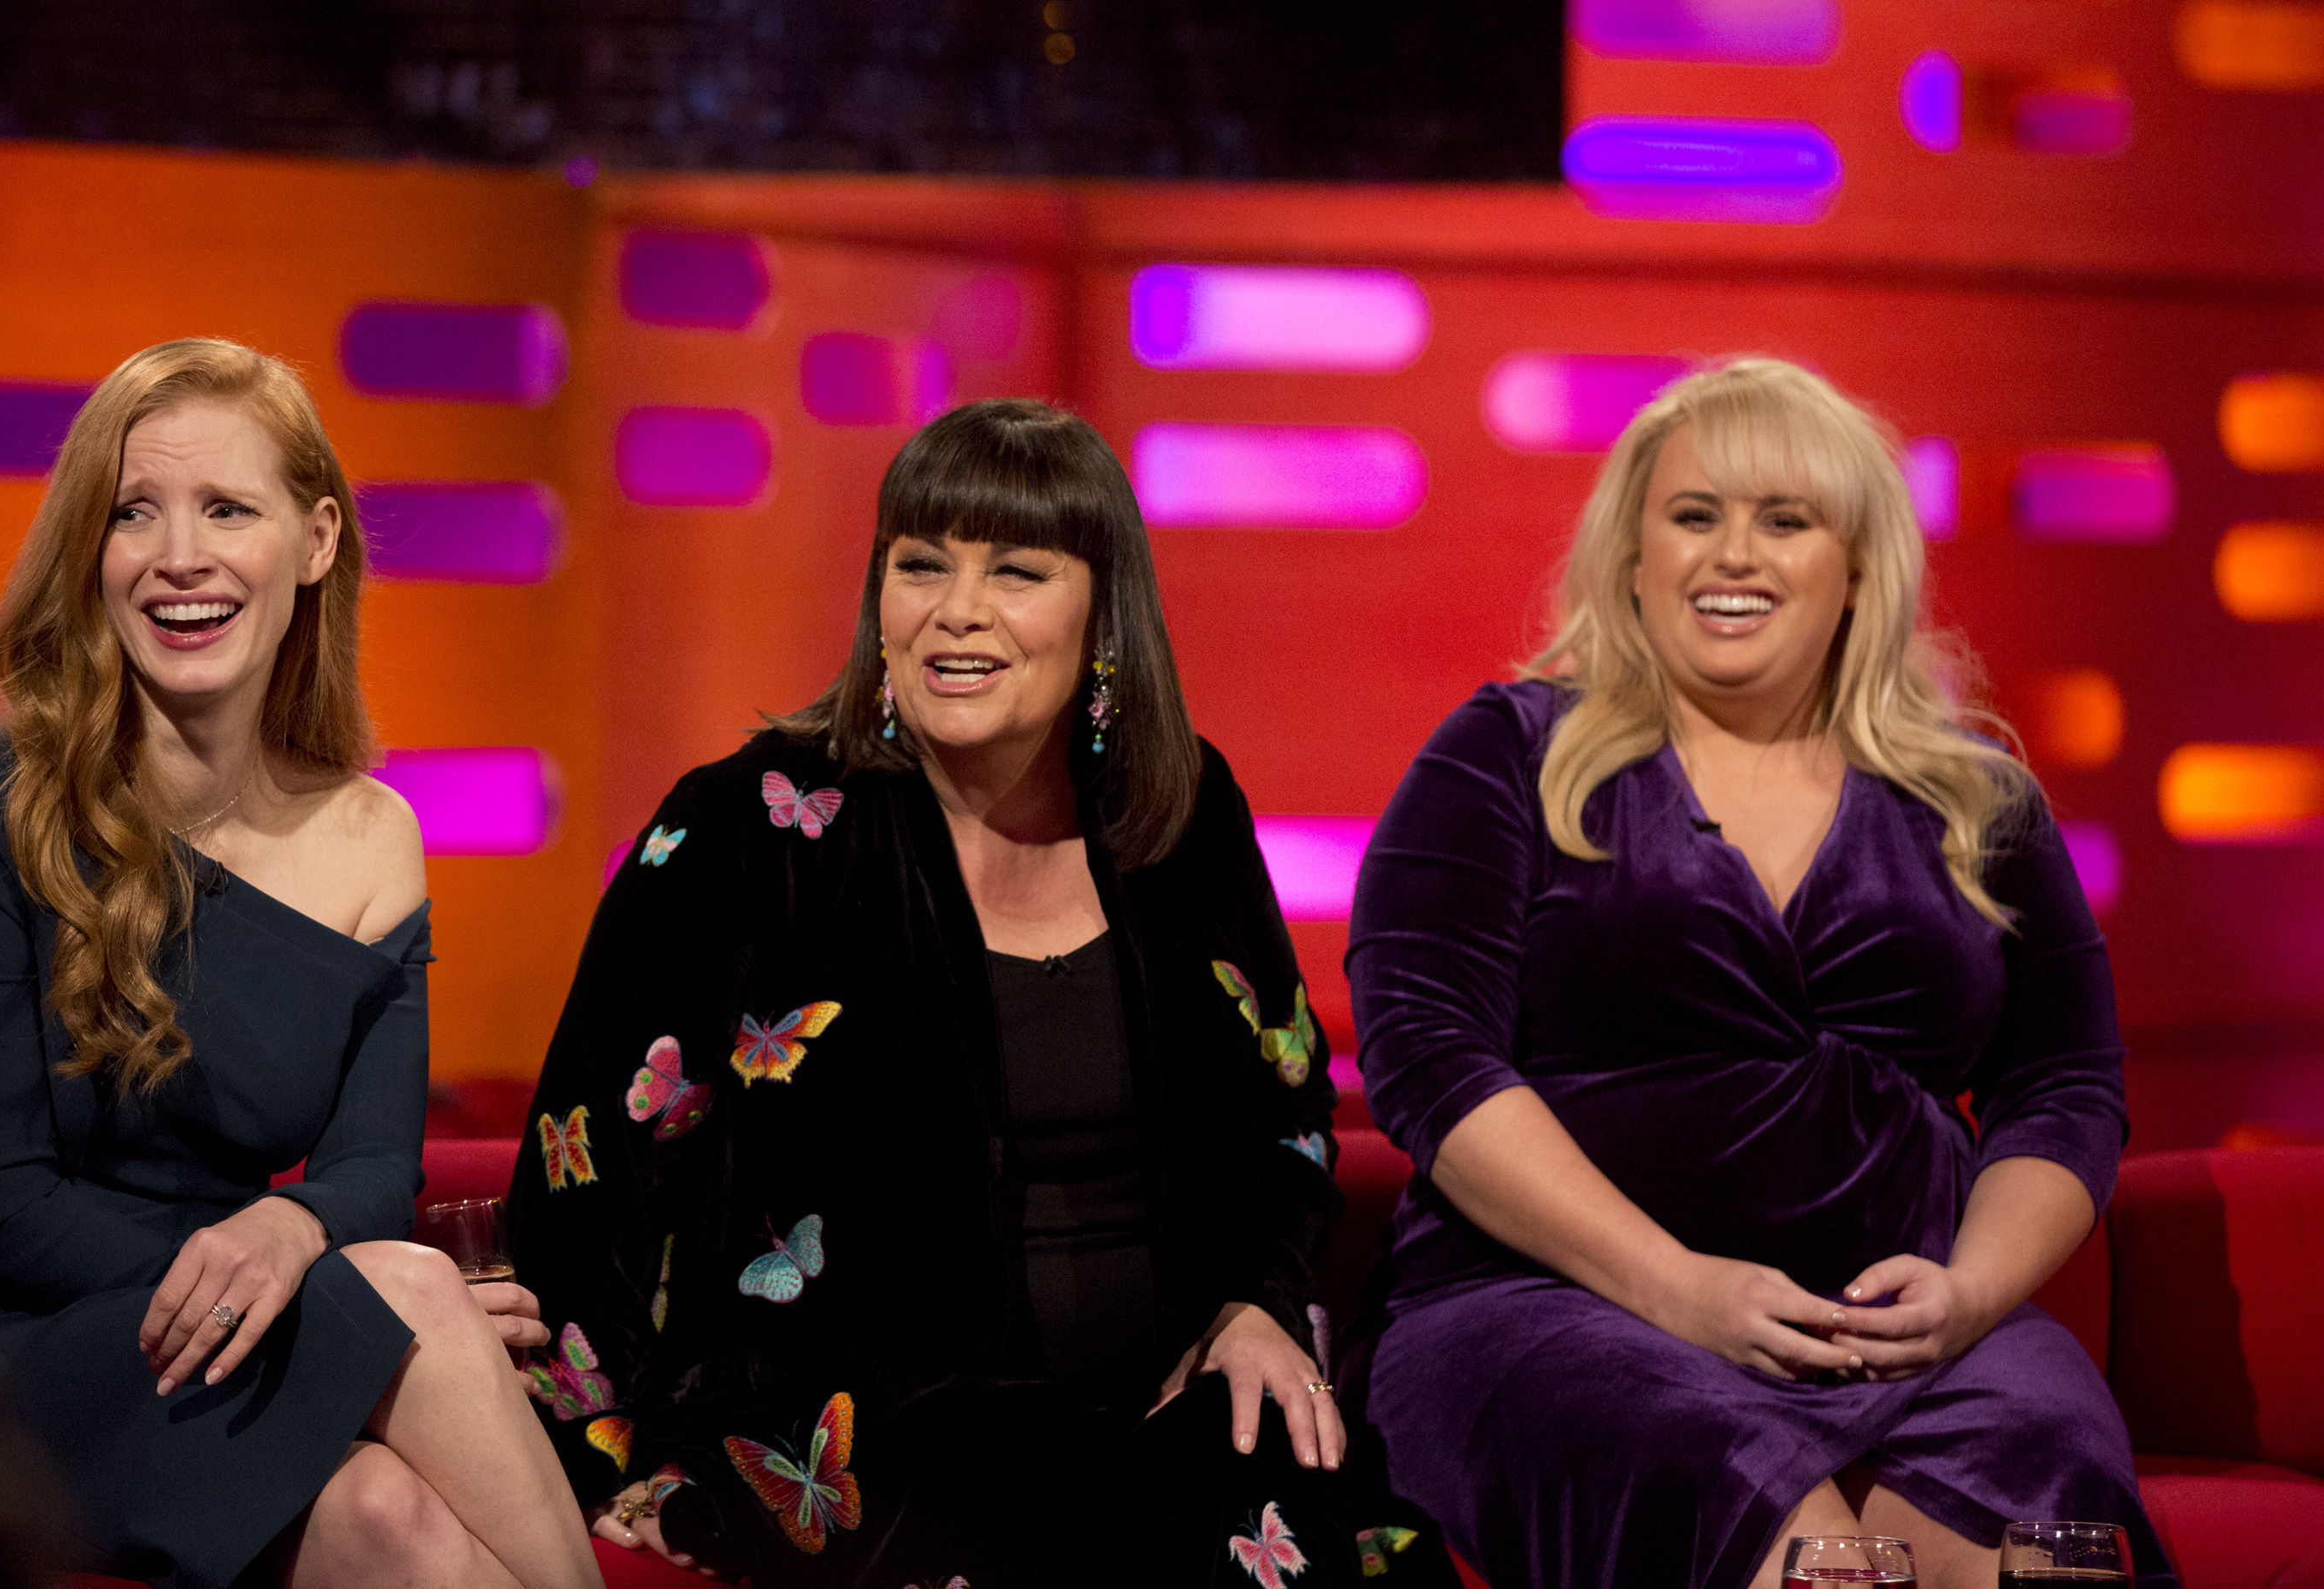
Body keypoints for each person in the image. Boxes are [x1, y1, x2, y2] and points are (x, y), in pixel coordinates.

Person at [510, 399, 1450, 1588]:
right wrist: (600, 1460)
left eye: (1015, 570)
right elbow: (583, 1167)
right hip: (851, 1431)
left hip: (1153, 1408)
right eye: (921, 565)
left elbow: (1290, 1108)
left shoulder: (1182, 813)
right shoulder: (750, 829)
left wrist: (1257, 1306)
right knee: (1062, 1505)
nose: (957, 610)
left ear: (1102, 612)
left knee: (1328, 1531)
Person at [1344, 358, 2175, 1589]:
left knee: (2050, 1495)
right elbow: (1428, 1056)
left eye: (1783, 521)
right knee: (1746, 1503)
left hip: (1905, 1335)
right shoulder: (1506, 756)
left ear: (1856, 570)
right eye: (1694, 518)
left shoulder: (1977, 799)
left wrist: (1968, 1293)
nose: (1733, 555)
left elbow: (2063, 1086)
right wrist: (1675, 1286)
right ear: (1634, 558)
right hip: (1556, 1310)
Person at [0, 339, 601, 1589]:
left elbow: (369, 1170)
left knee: (392, 1522)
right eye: (134, 513)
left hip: (212, 1332)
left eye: (228, 508)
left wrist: (299, 1240)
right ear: (94, 554)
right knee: (406, 1288)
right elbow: (12, 1223)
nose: (179, 555)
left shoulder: (373, 836)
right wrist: (326, 1284)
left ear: (318, 540)